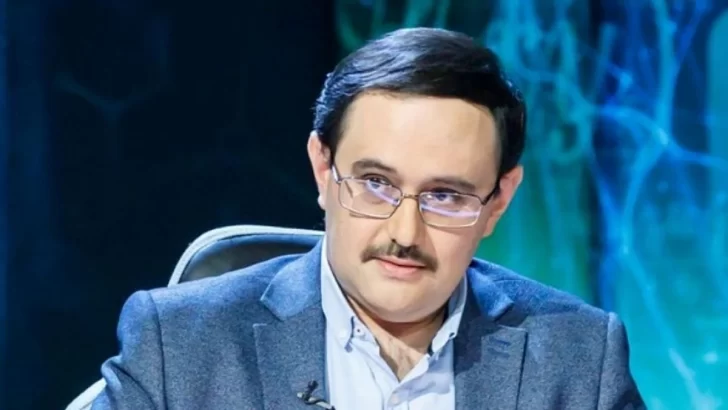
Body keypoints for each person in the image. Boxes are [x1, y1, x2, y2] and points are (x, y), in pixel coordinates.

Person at [88, 27, 644, 409]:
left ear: (498, 201)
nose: (404, 233)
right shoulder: (180, 345)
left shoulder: (579, 358)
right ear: (322, 169)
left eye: (445, 196)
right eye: (376, 184)